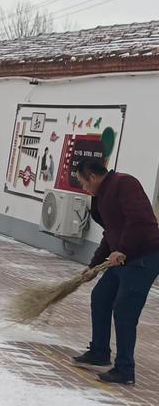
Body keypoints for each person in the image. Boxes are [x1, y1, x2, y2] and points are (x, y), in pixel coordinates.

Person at [73, 158, 159, 385]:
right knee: (100, 297)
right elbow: (110, 234)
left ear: (92, 176)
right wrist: (93, 266)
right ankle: (100, 352)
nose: (84, 189)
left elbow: (140, 221)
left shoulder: (124, 184)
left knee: (124, 311)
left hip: (143, 258)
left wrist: (123, 249)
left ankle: (125, 370)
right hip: (123, 257)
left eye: (83, 183)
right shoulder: (103, 195)